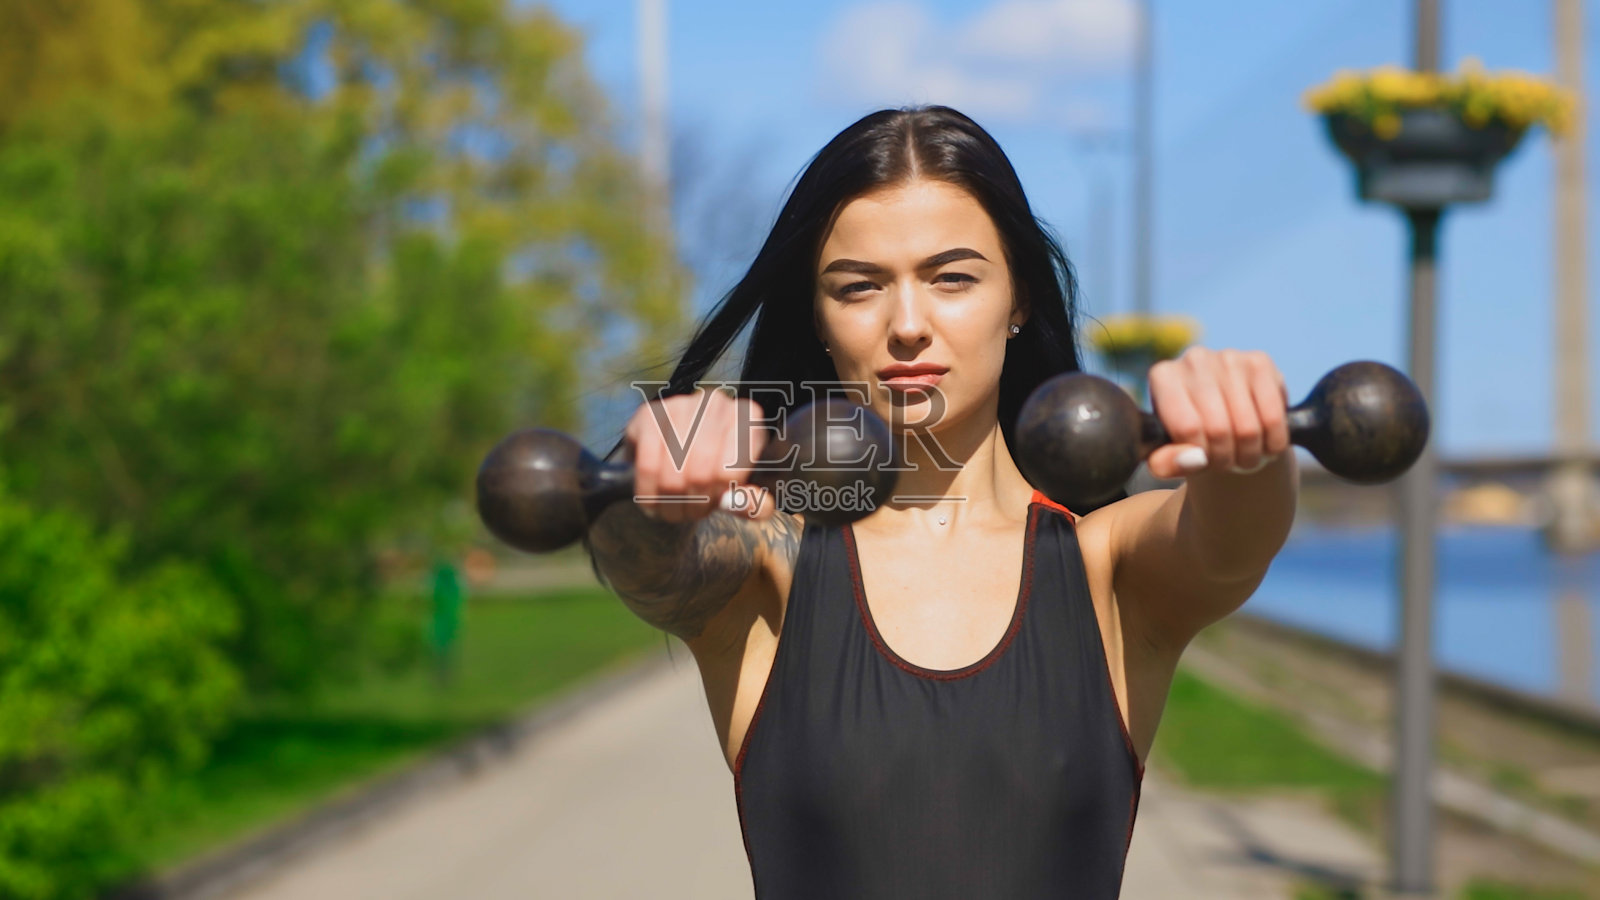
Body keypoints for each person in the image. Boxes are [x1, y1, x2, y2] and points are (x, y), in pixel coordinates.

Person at [584, 106, 1296, 899]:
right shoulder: (769, 563)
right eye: (859, 288)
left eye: (952, 278)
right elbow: (647, 566)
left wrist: (1249, 448)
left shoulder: (1109, 568)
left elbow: (1231, 539)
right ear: (818, 317)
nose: (909, 326)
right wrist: (660, 484)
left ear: (1018, 297)